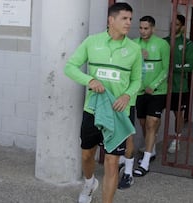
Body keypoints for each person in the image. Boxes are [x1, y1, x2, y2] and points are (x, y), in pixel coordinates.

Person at [64, 3, 142, 203]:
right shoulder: (92, 42)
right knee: (87, 155)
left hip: (119, 112)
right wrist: (89, 80)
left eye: (130, 19)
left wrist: (127, 96)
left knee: (112, 161)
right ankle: (89, 183)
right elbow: (70, 67)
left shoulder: (134, 49)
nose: (129, 23)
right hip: (93, 110)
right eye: (124, 18)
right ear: (111, 20)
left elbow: (137, 80)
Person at [131, 16, 170, 177]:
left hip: (157, 92)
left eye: (146, 28)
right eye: (140, 28)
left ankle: (145, 161)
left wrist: (153, 86)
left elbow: (166, 69)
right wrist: (139, 56)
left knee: (152, 123)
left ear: (153, 29)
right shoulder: (133, 44)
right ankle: (151, 148)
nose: (142, 31)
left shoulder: (162, 44)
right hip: (138, 91)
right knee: (143, 124)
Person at [164, 14, 193, 153]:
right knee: (154, 116)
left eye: (176, 24)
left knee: (178, 114)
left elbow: (189, 66)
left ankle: (177, 139)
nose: (172, 27)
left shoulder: (187, 44)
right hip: (162, 87)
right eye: (171, 24)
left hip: (179, 87)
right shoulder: (164, 42)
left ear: (182, 27)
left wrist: (172, 68)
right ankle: (150, 144)